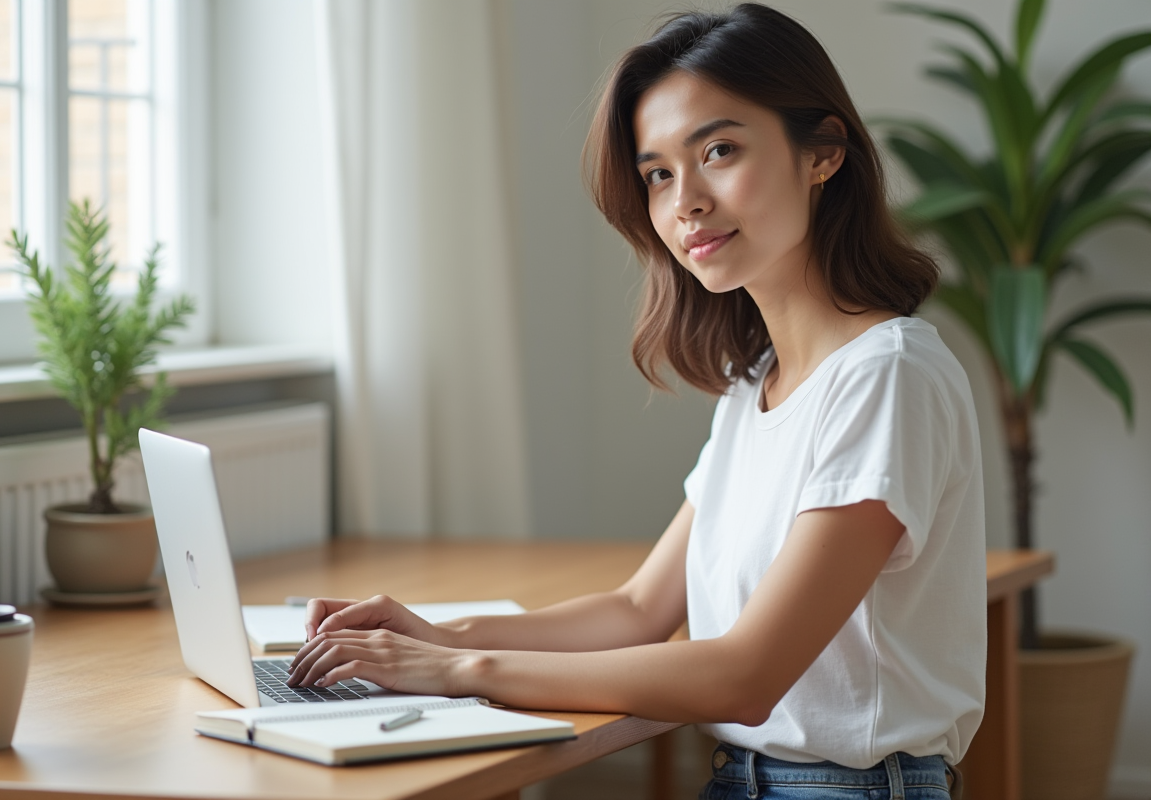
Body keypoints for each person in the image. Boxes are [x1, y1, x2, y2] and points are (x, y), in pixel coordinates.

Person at [287, 5, 984, 798]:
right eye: (658, 173)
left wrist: (458, 669)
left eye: (718, 150)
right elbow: (638, 608)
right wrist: (434, 634)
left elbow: (744, 676)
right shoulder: (759, 384)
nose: (684, 201)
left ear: (822, 152)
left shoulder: (887, 375)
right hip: (749, 780)